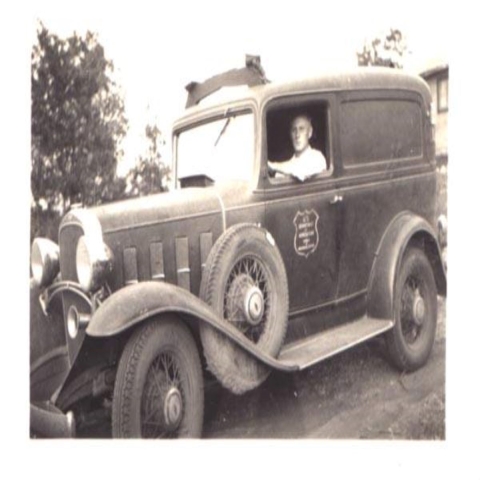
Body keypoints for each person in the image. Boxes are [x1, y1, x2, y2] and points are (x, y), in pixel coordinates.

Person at [268, 114, 327, 182]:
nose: (297, 135)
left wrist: (273, 166)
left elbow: (300, 171)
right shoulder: (289, 163)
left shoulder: (317, 158)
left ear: (310, 133)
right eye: (294, 130)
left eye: (301, 129)